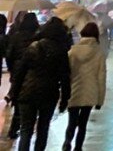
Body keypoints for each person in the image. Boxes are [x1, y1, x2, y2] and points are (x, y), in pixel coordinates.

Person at [12, 17, 70, 151]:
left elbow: (20, 72)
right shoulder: (61, 51)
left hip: (28, 92)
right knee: (43, 129)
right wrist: (64, 100)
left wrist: (14, 93)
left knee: (26, 129)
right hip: (49, 93)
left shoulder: (33, 46)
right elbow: (65, 77)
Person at [63, 22, 106, 151]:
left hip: (74, 90)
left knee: (72, 121)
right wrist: (100, 100)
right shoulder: (99, 54)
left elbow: (67, 73)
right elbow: (101, 78)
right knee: (83, 123)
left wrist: (64, 93)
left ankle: (67, 143)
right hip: (90, 92)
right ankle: (78, 147)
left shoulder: (72, 51)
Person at [5, 13, 39, 140]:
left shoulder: (16, 36)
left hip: (17, 70)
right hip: (31, 72)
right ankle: (20, 127)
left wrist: (11, 68)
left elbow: (9, 54)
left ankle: (14, 129)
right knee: (26, 100)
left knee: (17, 97)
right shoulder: (37, 37)